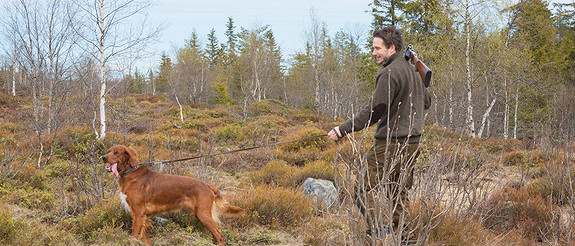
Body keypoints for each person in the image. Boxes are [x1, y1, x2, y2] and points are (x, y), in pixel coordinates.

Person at [327, 26, 431, 240]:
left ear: (391, 48)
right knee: (398, 193)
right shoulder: (413, 70)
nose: (373, 52)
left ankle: (377, 231)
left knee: (362, 190)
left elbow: (374, 112)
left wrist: (341, 130)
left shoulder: (390, 73)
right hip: (413, 143)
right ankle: (406, 239)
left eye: (377, 48)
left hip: (391, 143)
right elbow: (427, 102)